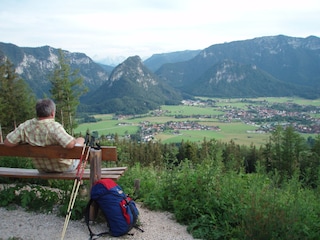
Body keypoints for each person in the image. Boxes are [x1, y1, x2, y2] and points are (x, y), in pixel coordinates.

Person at [4, 98, 84, 173]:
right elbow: (69, 144)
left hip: (42, 168)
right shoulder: (54, 127)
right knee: (81, 140)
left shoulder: (26, 125)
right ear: (52, 113)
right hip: (65, 168)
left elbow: (8, 142)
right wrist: (75, 140)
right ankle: (81, 183)